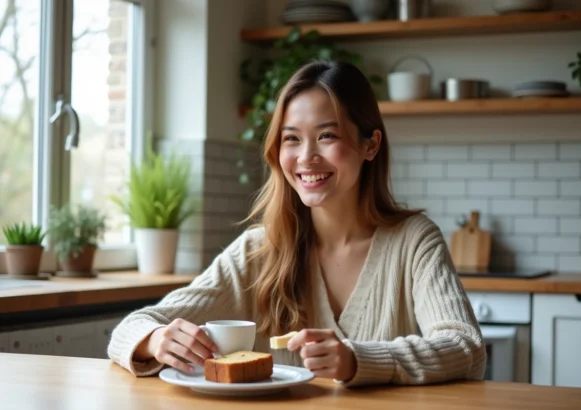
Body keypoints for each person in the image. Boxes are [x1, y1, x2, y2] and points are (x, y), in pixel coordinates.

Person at [108, 60, 486, 387]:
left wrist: (358, 360)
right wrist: (156, 339)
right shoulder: (258, 250)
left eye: (327, 136)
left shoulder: (415, 242)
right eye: (292, 139)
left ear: (370, 145)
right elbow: (133, 327)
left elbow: (466, 347)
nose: (306, 157)